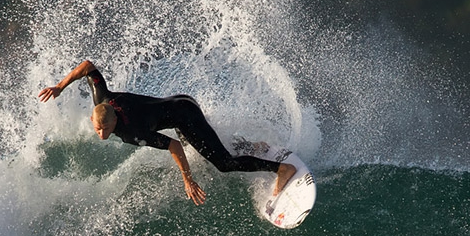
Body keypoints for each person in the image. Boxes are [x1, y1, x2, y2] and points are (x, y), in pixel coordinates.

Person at [38, 60, 296, 205]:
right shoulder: (102, 100)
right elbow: (87, 67)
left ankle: (280, 169)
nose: (102, 134)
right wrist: (60, 87)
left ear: (115, 118)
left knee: (222, 163)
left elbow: (174, 146)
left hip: (185, 116)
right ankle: (252, 146)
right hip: (179, 102)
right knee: (209, 144)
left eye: (105, 128)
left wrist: (188, 179)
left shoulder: (132, 132)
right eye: (97, 129)